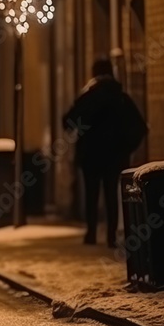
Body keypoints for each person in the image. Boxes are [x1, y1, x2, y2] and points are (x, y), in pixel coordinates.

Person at [63, 58, 148, 247]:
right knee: (111, 194)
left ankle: (91, 233)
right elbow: (140, 127)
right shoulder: (121, 98)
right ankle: (111, 236)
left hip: (91, 155)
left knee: (91, 194)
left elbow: (68, 122)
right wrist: (126, 148)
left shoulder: (88, 97)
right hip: (115, 156)